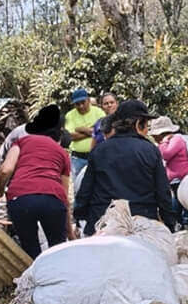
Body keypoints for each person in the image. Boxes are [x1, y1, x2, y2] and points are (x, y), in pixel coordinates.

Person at [74, 99, 175, 236]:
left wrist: (81, 216)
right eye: (146, 124)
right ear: (138, 123)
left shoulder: (99, 150)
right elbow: (163, 193)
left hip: (103, 221)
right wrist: (169, 223)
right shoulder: (150, 150)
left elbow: (85, 190)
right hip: (141, 223)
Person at [0, 105, 74, 258]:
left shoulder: (21, 142)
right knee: (57, 250)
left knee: (30, 250)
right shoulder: (62, 154)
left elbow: (5, 169)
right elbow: (65, 196)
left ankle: (32, 276)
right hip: (52, 200)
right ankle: (57, 278)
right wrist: (70, 234)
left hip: (20, 198)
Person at [148, 115, 188, 236]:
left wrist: (163, 142)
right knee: (176, 211)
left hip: (183, 181)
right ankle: (180, 236)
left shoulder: (176, 139)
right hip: (175, 182)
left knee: (187, 212)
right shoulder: (167, 142)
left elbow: (165, 154)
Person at [64, 87, 104, 183]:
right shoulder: (70, 115)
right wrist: (93, 131)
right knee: (78, 187)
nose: (81, 106)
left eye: (83, 102)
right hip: (77, 159)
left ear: (89, 100)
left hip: (97, 157)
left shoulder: (98, 112)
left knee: (99, 185)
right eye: (77, 104)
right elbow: (71, 136)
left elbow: (103, 131)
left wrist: (81, 129)